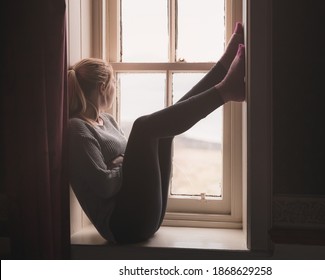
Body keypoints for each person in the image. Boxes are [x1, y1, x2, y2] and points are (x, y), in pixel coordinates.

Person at [68, 23, 245, 243]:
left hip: (145, 214)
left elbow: (133, 165)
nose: (115, 87)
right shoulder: (77, 128)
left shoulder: (108, 121)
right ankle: (226, 89)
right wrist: (126, 161)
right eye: (113, 82)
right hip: (123, 225)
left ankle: (223, 70)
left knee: (162, 128)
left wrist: (123, 161)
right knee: (144, 126)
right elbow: (105, 187)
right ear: (103, 87)